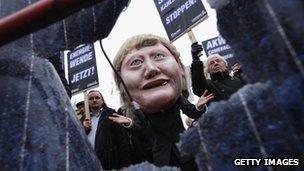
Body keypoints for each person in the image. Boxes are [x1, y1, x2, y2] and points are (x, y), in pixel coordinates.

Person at [112, 34, 214, 170]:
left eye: (159, 56)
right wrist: (130, 123)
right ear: (121, 84)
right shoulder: (138, 109)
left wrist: (199, 106)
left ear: (179, 66)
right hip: (162, 157)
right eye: (136, 62)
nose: (151, 69)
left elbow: (192, 112)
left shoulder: (177, 99)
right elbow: (143, 132)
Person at [82, 90, 131, 170]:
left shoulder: (112, 115)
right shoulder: (83, 120)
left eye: (97, 98)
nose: (94, 100)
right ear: (87, 102)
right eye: (91, 98)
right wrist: (83, 129)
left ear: (102, 100)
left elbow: (122, 142)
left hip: (109, 164)